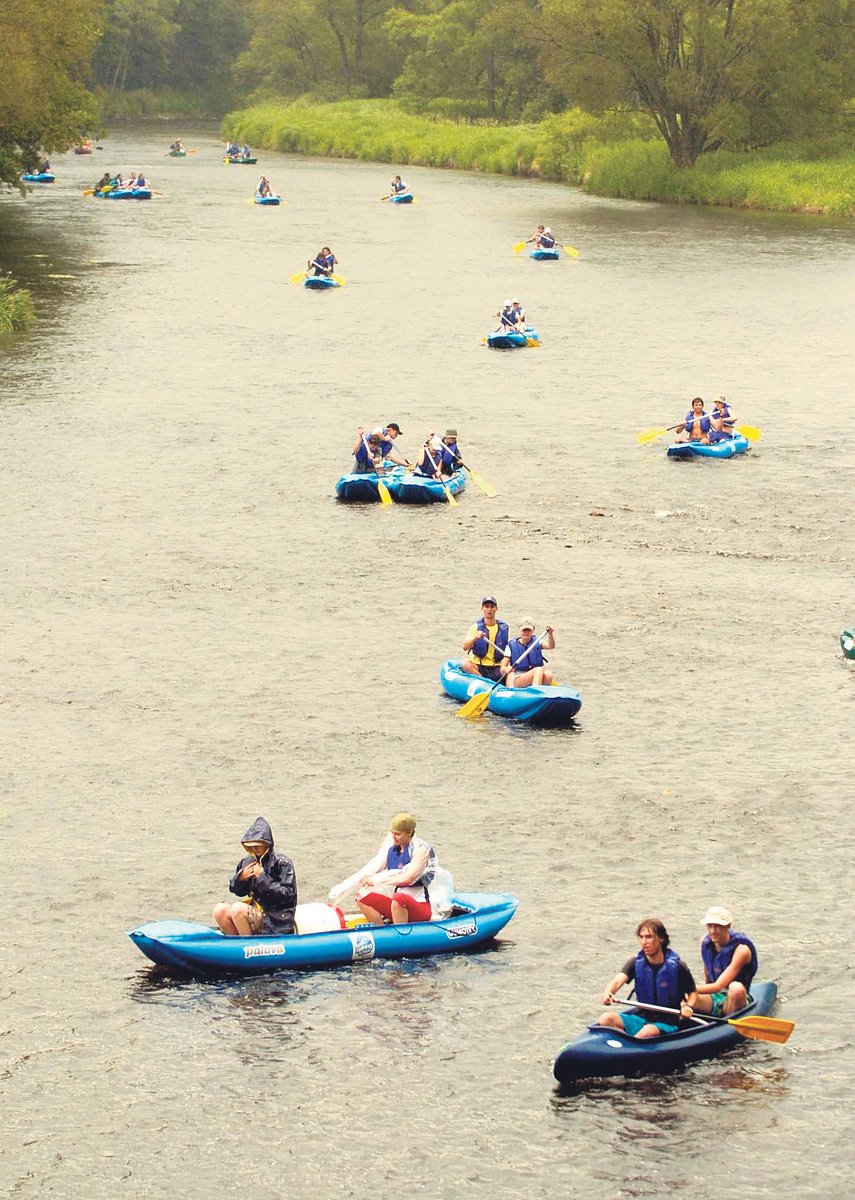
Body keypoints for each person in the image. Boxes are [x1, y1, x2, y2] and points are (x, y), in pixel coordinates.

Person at [327, 812, 438, 926]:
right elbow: (372, 868)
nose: (394, 837)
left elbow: (408, 878)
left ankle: (400, 934)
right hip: (397, 905)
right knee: (362, 897)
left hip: (419, 907)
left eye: (398, 834)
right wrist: (344, 887)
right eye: (392, 833)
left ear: (409, 833)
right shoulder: (392, 851)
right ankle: (380, 931)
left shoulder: (421, 850)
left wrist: (376, 880)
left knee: (399, 898)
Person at [598, 918, 698, 1038]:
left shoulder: (679, 967)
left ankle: (630, 1047)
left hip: (666, 1022)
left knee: (648, 1031)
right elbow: (617, 981)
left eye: (649, 937)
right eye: (641, 937)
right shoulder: (634, 963)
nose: (644, 942)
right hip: (640, 1017)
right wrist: (608, 992)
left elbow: (693, 993)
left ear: (661, 939)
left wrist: (688, 1006)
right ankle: (628, 1044)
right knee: (605, 1019)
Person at [212, 817, 298, 937]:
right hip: (256, 911)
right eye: (251, 846)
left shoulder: (282, 863)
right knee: (220, 910)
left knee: (238, 909)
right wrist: (240, 879)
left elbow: (287, 896)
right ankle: (236, 942)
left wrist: (262, 878)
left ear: (267, 844)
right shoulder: (247, 862)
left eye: (258, 845)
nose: (254, 849)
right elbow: (238, 891)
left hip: (276, 918)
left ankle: (249, 945)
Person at [692, 906, 758, 1016]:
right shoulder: (705, 942)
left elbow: (718, 986)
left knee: (735, 988)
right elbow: (708, 978)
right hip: (717, 997)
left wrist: (684, 988)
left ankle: (727, 1025)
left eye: (717, 926)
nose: (713, 931)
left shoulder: (742, 950)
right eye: (710, 926)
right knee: (685, 998)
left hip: (737, 998)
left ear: (728, 926)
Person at [460, 596, 509, 680]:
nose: (489, 609)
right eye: (486, 607)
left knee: (510, 670)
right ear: (482, 608)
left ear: (496, 609)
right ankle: (482, 680)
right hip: (479, 666)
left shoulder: (503, 628)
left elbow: (507, 651)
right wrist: (475, 638)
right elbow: (465, 647)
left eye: (492, 607)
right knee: (465, 664)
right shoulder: (475, 627)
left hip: (496, 667)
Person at [505, 620, 555, 687]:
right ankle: (535, 690)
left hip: (535, 675)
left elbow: (551, 646)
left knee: (548, 674)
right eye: (524, 630)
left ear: (533, 630)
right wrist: (506, 669)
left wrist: (550, 634)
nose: (526, 633)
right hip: (518, 678)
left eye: (529, 630)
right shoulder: (511, 645)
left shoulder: (537, 641)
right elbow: (503, 666)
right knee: (539, 669)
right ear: (520, 630)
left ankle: (542, 692)